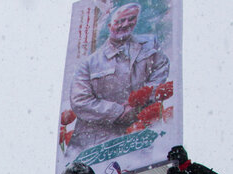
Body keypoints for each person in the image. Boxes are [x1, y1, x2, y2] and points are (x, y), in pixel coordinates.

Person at [68, 2, 170, 153]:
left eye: (131, 19)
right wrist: (119, 111)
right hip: (98, 143)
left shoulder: (150, 44)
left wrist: (140, 101)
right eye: (120, 21)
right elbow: (80, 101)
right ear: (109, 25)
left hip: (140, 136)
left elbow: (161, 68)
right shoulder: (89, 63)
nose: (126, 24)